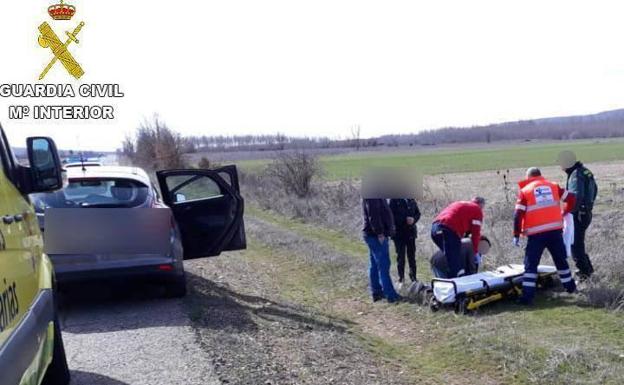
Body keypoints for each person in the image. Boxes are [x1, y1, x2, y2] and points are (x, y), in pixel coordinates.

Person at [513, 167, 577, 305]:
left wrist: (516, 234)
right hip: (555, 232)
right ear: (540, 176)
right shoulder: (553, 186)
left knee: (531, 266)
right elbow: (571, 198)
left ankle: (527, 297)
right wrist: (565, 212)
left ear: (528, 177)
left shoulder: (525, 191)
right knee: (561, 262)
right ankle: (571, 289)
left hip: (536, 235)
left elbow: (518, 214)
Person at [558, 151, 598, 280]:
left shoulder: (575, 175)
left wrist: (568, 212)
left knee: (575, 244)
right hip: (586, 212)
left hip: (579, 214)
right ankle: (588, 270)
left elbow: (576, 197)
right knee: (578, 243)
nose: (560, 166)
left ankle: (584, 273)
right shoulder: (585, 171)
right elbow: (595, 189)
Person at [430, 197, 485, 278]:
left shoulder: (460, 204)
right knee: (454, 264)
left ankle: (447, 280)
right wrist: (476, 252)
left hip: (435, 229)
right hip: (448, 229)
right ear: (481, 205)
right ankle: (455, 285)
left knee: (451, 259)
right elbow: (475, 234)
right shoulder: (477, 210)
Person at [362, 198, 400, 303]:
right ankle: (390, 295)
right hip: (376, 236)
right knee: (384, 265)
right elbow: (373, 215)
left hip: (373, 234)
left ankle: (377, 292)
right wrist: (379, 232)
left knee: (374, 265)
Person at [389, 198, 421, 283]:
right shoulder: (394, 200)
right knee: (401, 257)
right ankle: (401, 278)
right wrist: (404, 220)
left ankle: (413, 277)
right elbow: (390, 216)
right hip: (399, 234)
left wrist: (413, 219)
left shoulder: (411, 199)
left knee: (412, 257)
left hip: (411, 233)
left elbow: (418, 213)